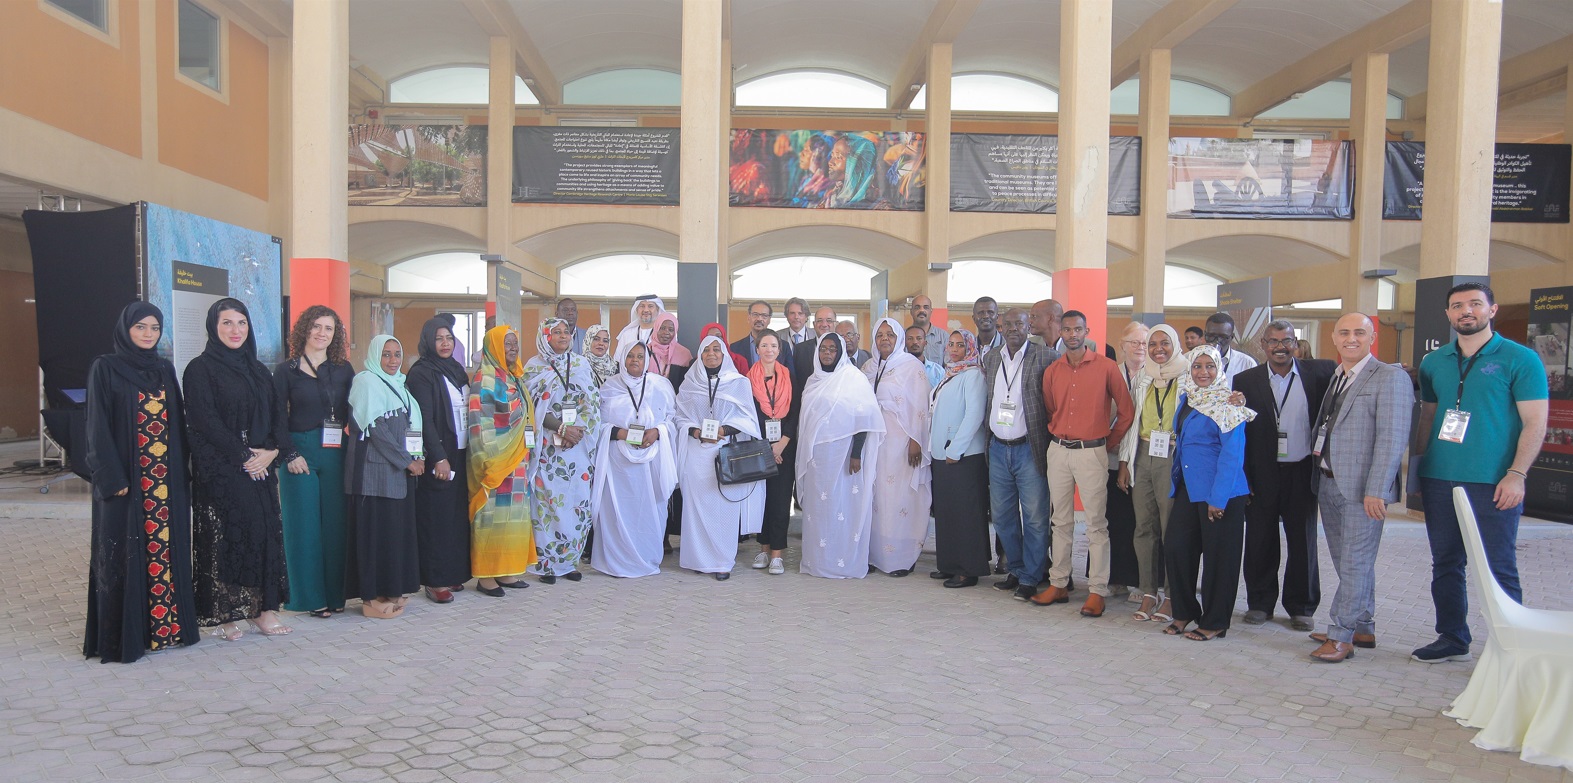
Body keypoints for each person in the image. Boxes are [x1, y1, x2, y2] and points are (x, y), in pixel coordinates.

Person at [1412, 282, 1548, 663]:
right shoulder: (1434, 362)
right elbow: (1428, 418)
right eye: (1457, 306)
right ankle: (1452, 637)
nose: (1466, 311)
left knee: (1498, 565)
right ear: (1448, 314)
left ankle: (1512, 647)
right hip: (1439, 477)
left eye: (1475, 304)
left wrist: (1517, 473)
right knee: (1446, 562)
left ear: (1492, 309)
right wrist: (1419, 471)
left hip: (1493, 481)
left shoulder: (1520, 359)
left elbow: (1535, 422)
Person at [83, 302, 199, 662]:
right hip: (127, 482)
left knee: (164, 552)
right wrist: (110, 476)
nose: (149, 334)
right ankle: (126, 636)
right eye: (140, 327)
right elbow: (96, 425)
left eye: (155, 328)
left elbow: (177, 425)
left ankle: (166, 630)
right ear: (126, 329)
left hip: (165, 482)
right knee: (126, 554)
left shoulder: (163, 369)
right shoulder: (105, 367)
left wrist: (184, 474)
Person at [1307, 313, 1414, 662]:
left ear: (1371, 337)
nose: (1350, 338)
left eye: (1358, 332)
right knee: (1347, 562)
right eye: (1344, 333)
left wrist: (1377, 489)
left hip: (1363, 490)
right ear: (1334, 338)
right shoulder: (1338, 375)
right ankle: (1362, 626)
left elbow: (1392, 438)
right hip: (1328, 482)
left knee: (1355, 562)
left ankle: (1341, 635)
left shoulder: (1390, 377)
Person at [183, 298, 289, 641]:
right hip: (222, 466)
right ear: (214, 327)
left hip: (260, 463)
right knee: (226, 536)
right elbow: (205, 421)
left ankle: (262, 609)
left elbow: (277, 416)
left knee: (264, 532)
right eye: (227, 323)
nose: (235, 330)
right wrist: (244, 456)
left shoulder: (258, 370)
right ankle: (224, 612)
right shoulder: (200, 369)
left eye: (241, 323)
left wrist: (271, 453)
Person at [1032, 311, 1134, 617]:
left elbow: (1126, 411)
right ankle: (1059, 583)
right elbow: (1051, 409)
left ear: (1087, 331)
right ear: (1060, 332)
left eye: (1078, 329)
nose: (1072, 334)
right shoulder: (1053, 370)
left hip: (1092, 452)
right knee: (1060, 521)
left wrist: (1108, 443)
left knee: (1096, 524)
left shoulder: (1106, 367)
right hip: (1058, 451)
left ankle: (1097, 590)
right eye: (1067, 329)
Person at [1234, 319, 1335, 630]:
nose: (1280, 347)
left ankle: (1301, 606)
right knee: (1259, 539)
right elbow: (1239, 431)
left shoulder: (1320, 373)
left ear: (1296, 343)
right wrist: (1244, 475)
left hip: (1301, 469)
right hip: (1261, 471)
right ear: (1263, 345)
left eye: (1287, 340)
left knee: (1303, 540)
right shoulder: (1245, 380)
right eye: (1273, 341)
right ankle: (1260, 603)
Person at [1162, 345, 1255, 641]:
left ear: (1219, 369)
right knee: (1177, 548)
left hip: (1221, 493)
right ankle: (1185, 611)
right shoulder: (1188, 399)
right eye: (1197, 366)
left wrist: (1219, 499)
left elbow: (1232, 454)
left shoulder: (1229, 404)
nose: (1203, 372)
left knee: (1219, 559)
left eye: (1210, 366)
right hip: (1189, 489)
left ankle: (1215, 621)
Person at [272, 306, 353, 619]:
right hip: (299, 452)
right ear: (304, 329)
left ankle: (335, 595)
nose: (322, 333)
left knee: (336, 525)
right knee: (302, 527)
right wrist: (289, 453)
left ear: (335, 335)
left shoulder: (344, 369)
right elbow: (277, 417)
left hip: (335, 450)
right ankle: (309, 598)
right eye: (316, 326)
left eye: (329, 328)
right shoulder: (286, 371)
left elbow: (355, 411)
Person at [343, 335, 423, 619]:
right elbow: (377, 430)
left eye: (397, 354)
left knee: (392, 536)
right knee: (373, 537)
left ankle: (389, 590)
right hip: (373, 476)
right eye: (386, 354)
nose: (392, 360)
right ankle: (370, 600)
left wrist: (419, 456)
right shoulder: (366, 382)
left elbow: (410, 428)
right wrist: (407, 461)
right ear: (375, 355)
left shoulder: (400, 385)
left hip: (399, 475)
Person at [674, 336, 765, 579]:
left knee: (724, 509)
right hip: (696, 453)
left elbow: (748, 420)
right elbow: (679, 417)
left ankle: (722, 562)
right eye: (706, 350)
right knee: (697, 509)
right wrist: (696, 432)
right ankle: (699, 559)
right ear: (700, 355)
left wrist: (723, 430)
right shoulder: (689, 383)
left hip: (726, 452)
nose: (711, 354)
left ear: (724, 354)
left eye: (717, 349)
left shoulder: (738, 382)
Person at [797, 333, 885, 578]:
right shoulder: (813, 380)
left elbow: (864, 417)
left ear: (841, 352)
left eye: (832, 349)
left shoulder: (853, 378)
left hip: (845, 456)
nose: (827, 353)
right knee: (819, 508)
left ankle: (843, 561)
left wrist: (856, 454)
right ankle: (818, 561)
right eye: (823, 349)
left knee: (844, 507)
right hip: (817, 459)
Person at [985, 308, 1058, 600]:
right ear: (1000, 327)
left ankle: (1032, 575)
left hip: (1029, 448)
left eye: (1020, 323)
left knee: (1035, 518)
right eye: (1008, 324)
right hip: (998, 449)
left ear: (1029, 327)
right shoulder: (991, 358)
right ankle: (1015, 569)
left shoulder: (1046, 356)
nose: (1013, 328)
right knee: (1002, 517)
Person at [1117, 324, 1187, 624]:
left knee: (1171, 528)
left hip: (1172, 455)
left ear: (1175, 345)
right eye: (1153, 343)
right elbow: (1131, 422)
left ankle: (1172, 595)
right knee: (1144, 528)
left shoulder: (1188, 377)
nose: (1158, 349)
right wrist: (1124, 462)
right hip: (1143, 454)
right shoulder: (1143, 377)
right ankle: (1148, 591)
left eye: (1164, 343)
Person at [523, 318, 602, 584]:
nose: (562, 336)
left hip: (577, 446)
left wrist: (576, 431)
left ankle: (569, 562)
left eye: (566, 332)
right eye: (555, 332)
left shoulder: (580, 364)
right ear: (544, 337)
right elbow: (530, 407)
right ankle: (546, 565)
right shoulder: (534, 368)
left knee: (576, 503)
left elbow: (592, 403)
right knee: (547, 504)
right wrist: (560, 428)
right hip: (547, 448)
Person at [589, 341, 678, 578]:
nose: (635, 360)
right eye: (630, 356)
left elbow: (672, 420)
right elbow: (596, 424)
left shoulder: (661, 386)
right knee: (617, 512)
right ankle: (616, 562)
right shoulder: (609, 387)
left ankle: (646, 559)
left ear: (646, 360)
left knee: (650, 510)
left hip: (651, 462)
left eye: (640, 356)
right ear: (622, 358)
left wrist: (657, 431)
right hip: (617, 465)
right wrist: (621, 433)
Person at [406, 317, 473, 604]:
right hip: (441, 455)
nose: (445, 343)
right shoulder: (421, 373)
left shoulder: (457, 370)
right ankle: (435, 580)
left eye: (449, 338)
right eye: (439, 338)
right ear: (428, 341)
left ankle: (452, 572)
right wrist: (438, 457)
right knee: (436, 518)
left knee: (456, 517)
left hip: (461, 452)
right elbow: (424, 420)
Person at [466, 326, 536, 597]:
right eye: (507, 344)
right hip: (495, 462)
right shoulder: (484, 378)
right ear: (494, 347)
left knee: (513, 518)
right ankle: (486, 577)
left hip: (517, 460)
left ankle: (506, 571)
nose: (513, 348)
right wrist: (490, 459)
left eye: (515, 343)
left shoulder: (514, 377)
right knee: (492, 519)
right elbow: (479, 424)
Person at [864, 318, 932, 576]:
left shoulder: (911, 366)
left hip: (902, 443)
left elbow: (921, 406)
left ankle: (903, 557)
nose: (884, 339)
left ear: (899, 338)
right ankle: (875, 555)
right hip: (875, 444)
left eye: (890, 334)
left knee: (900, 498)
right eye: (880, 334)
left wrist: (916, 440)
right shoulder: (868, 367)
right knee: (876, 498)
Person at [928, 329, 990, 587]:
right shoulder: (950, 374)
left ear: (970, 348)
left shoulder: (973, 374)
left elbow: (974, 415)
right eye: (951, 344)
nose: (954, 349)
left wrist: (956, 449)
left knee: (966, 513)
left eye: (960, 345)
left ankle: (967, 569)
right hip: (942, 454)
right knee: (947, 512)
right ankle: (949, 564)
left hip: (962, 456)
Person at [1104, 321, 1148, 599]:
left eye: (1145, 343)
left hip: (1143, 461)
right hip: (1111, 458)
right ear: (1122, 345)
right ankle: (1116, 577)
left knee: (1142, 522)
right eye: (1134, 342)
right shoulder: (1110, 373)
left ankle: (1143, 582)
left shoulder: (1156, 376)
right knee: (1115, 520)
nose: (1140, 347)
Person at [747, 332, 796, 575]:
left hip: (785, 447)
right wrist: (767, 446)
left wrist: (782, 442)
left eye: (773, 345)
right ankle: (764, 549)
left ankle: (777, 553)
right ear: (757, 349)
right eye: (764, 345)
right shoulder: (747, 380)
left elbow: (795, 412)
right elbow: (748, 414)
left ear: (779, 350)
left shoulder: (789, 376)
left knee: (780, 500)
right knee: (762, 499)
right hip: (760, 446)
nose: (769, 349)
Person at [793, 306, 840, 400]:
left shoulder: (842, 349)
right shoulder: (800, 349)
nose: (824, 324)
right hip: (806, 403)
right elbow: (796, 383)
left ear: (836, 324)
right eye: (819, 320)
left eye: (829, 320)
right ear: (814, 324)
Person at [735, 300, 792, 368]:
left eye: (764, 315)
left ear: (769, 319)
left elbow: (790, 373)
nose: (759, 319)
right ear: (748, 318)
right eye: (755, 314)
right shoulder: (735, 348)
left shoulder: (784, 346)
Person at [1203, 312, 1258, 380]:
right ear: (1205, 335)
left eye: (1223, 337)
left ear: (1232, 337)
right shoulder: (1191, 360)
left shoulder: (1246, 363)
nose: (1217, 341)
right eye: (1211, 336)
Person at [648, 312, 693, 388]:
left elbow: (687, 383)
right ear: (656, 328)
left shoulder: (684, 354)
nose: (666, 332)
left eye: (671, 330)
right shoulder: (644, 351)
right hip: (647, 394)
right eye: (662, 328)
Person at [911, 295, 946, 364]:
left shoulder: (943, 337)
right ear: (911, 311)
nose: (921, 310)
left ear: (931, 311)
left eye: (926, 307)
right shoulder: (903, 336)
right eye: (917, 307)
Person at [973, 297, 1004, 362]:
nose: (986, 316)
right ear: (974, 318)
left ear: (997, 317)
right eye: (981, 313)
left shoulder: (1008, 346)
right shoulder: (968, 349)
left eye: (990, 312)